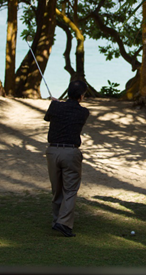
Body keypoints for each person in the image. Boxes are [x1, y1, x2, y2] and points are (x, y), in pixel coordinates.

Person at [44, 80, 90, 237]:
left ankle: (57, 220)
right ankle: (63, 223)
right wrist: (57, 104)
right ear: (82, 96)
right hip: (70, 152)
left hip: (52, 151)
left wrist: (55, 103)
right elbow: (68, 114)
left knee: (57, 189)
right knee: (69, 190)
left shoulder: (56, 107)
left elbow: (48, 118)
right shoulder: (83, 112)